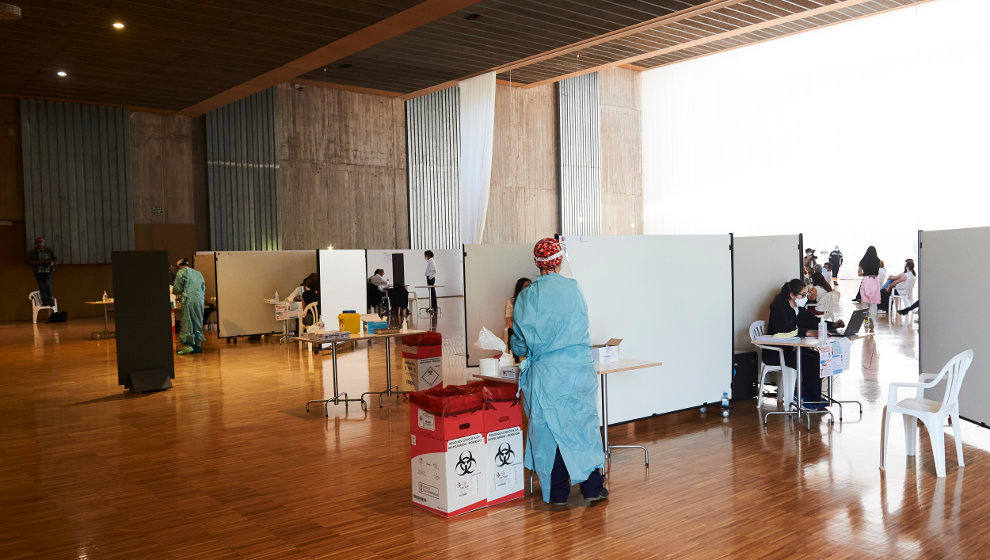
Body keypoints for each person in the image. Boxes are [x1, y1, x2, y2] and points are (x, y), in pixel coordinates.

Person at [510, 238, 607, 506]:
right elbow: (582, 323)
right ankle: (592, 488)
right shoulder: (574, 289)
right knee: (582, 428)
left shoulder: (527, 297)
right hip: (577, 370)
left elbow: (519, 338)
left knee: (548, 432)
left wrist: (521, 350)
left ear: (536, 263)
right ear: (560, 260)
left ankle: (558, 493)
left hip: (547, 374)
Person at [762, 279, 839, 410]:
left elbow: (811, 320)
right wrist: (809, 333)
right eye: (803, 295)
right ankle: (803, 397)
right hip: (776, 353)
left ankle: (814, 398)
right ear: (792, 295)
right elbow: (783, 331)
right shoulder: (779, 308)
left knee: (819, 359)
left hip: (791, 350)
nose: (805, 297)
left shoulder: (796, 308)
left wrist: (832, 325)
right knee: (811, 363)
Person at [173, 257, 206, 355]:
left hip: (189, 299)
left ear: (180, 266)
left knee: (188, 321)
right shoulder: (198, 273)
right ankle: (197, 346)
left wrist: (177, 292)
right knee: (198, 321)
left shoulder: (181, 272)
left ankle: (187, 345)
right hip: (199, 300)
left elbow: (177, 288)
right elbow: (203, 288)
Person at [27, 237, 56, 306]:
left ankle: (50, 301)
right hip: (38, 272)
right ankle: (45, 302)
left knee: (48, 285)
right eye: (39, 242)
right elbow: (29, 262)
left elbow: (55, 259)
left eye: (42, 242)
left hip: (48, 271)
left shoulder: (49, 251)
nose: (40, 243)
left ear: (44, 242)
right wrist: (39, 261)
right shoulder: (32, 252)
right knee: (42, 287)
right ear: (36, 243)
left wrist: (53, 262)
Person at [858, 246, 882, 325]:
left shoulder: (863, 261)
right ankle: (872, 320)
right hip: (874, 281)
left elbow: (859, 273)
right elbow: (877, 273)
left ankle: (866, 322)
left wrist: (866, 273)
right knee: (873, 303)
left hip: (866, 281)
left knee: (865, 304)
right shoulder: (878, 261)